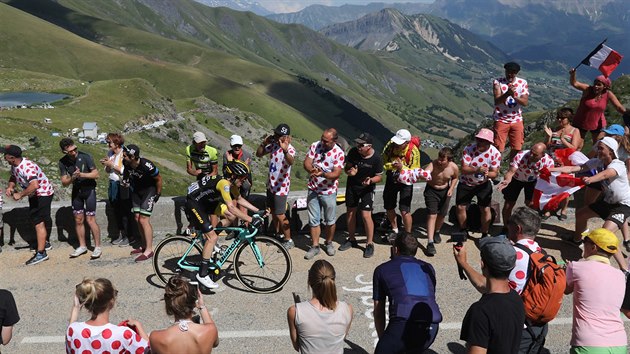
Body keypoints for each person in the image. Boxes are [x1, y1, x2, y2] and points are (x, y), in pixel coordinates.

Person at [455, 207, 550, 353]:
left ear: (517, 228)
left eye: (509, 223)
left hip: (518, 329)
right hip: (538, 327)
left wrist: (464, 263)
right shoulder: (542, 254)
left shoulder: (513, 254)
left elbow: (488, 285)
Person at [550, 137, 629, 270]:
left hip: (623, 205)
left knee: (604, 235)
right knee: (581, 214)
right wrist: (551, 170)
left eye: (601, 148)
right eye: (598, 147)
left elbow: (605, 174)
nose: (598, 150)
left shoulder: (618, 165)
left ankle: (625, 269)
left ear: (611, 151)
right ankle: (576, 240)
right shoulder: (598, 161)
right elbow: (575, 168)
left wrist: (591, 179)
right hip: (608, 202)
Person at [188, 161, 265, 289]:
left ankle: (210, 240)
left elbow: (239, 199)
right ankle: (202, 274)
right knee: (212, 237)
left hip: (208, 202)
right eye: (242, 178)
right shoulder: (224, 184)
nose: (244, 181)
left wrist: (257, 211)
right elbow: (232, 206)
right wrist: (250, 219)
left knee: (231, 217)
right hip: (195, 204)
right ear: (233, 176)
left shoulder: (231, 184)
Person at [372, 233, 442, 353]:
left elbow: (378, 312)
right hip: (431, 325)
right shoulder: (428, 267)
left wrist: (383, 338)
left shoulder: (382, 270)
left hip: (402, 323)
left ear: (395, 249)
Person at [456, 236, 525, 353]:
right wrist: (463, 263)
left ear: (482, 264)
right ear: (512, 266)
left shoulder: (480, 311)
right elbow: (483, 285)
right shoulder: (516, 299)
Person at [565, 228, 627, 353]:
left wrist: (565, 271)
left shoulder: (576, 267)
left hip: (589, 343)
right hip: (619, 343)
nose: (583, 244)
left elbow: (566, 290)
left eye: (585, 241)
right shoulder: (620, 275)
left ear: (593, 247)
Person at [67, 278, 149, 353]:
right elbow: (149, 350)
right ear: (112, 301)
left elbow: (71, 328)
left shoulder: (73, 331)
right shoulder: (123, 334)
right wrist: (138, 326)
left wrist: (76, 307)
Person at [3, 145, 54, 265]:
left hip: (43, 194)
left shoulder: (27, 167)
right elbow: (13, 176)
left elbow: (35, 185)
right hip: (34, 195)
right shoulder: (15, 165)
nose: (4, 157)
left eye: (5, 156)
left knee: (38, 222)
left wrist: (20, 195)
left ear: (12, 157)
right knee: (35, 218)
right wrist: (11, 186)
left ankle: (41, 253)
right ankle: (44, 244)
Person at [287, 260, 353, 353]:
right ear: (333, 280)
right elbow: (342, 337)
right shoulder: (347, 309)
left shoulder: (294, 311)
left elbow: (297, 346)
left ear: (309, 280)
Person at [303, 128, 345, 260]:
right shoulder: (315, 145)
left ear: (334, 140)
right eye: (322, 139)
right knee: (313, 219)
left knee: (330, 220)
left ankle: (328, 242)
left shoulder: (338, 153)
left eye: (326, 141)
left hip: (329, 191)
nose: (323, 142)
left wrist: (323, 174)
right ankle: (315, 246)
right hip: (313, 188)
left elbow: (336, 173)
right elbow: (307, 162)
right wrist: (312, 170)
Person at [339, 132, 383, 258]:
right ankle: (351, 239)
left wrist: (370, 181)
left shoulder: (376, 158)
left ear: (368, 146)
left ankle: (369, 243)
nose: (358, 146)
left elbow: (379, 176)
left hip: (367, 189)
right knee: (351, 212)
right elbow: (347, 168)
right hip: (353, 186)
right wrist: (350, 172)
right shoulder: (353, 152)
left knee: (365, 215)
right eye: (357, 144)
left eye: (361, 145)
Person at [149, 275, 219, 353]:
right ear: (194, 303)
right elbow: (215, 343)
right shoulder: (210, 331)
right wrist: (202, 306)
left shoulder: (156, 337)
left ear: (169, 305)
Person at [58, 138, 102, 260]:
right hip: (77, 192)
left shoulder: (86, 156)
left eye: (75, 149)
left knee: (90, 219)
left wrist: (81, 175)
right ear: (64, 152)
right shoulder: (62, 162)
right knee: (78, 220)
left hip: (89, 191)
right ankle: (82, 246)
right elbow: (64, 182)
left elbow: (96, 174)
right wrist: (72, 178)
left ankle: (97, 246)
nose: (74, 152)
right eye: (70, 151)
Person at [255, 124, 296, 249]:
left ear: (285, 137)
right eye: (275, 134)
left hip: (281, 187)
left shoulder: (290, 149)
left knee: (280, 214)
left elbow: (291, 161)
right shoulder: (273, 146)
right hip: (271, 185)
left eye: (278, 135)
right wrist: (263, 143)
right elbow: (259, 154)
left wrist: (285, 150)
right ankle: (278, 235)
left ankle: (288, 239)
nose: (275, 136)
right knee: (273, 212)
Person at [456, 128, 501, 238]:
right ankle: (463, 230)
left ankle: (484, 233)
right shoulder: (468, 149)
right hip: (466, 182)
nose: (480, 142)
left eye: (483, 141)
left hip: (483, 184)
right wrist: (476, 170)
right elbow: (464, 169)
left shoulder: (495, 153)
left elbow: (494, 173)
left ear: (489, 143)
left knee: (485, 209)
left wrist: (486, 173)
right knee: (460, 207)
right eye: (479, 140)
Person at [497, 142, 554, 226]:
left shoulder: (548, 161)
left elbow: (549, 177)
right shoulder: (520, 155)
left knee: (531, 205)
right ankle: (506, 228)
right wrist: (507, 180)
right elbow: (511, 171)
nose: (531, 155)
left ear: (542, 155)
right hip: (517, 178)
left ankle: (528, 227)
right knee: (508, 204)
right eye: (531, 152)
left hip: (533, 181)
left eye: (535, 155)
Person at [122, 144, 162, 262]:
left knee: (144, 219)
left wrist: (158, 193)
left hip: (149, 191)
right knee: (137, 217)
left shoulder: (146, 165)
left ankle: (149, 250)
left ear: (133, 157)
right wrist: (125, 181)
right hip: (136, 191)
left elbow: (159, 178)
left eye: (125, 156)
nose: (123, 157)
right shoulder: (127, 163)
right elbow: (126, 173)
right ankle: (144, 245)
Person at [570, 69, 627, 145]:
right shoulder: (588, 89)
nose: (595, 86)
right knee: (577, 146)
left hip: (598, 123)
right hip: (581, 122)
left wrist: (627, 114)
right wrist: (573, 74)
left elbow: (619, 107)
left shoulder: (608, 94)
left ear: (605, 86)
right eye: (595, 84)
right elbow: (575, 83)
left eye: (599, 85)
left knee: (598, 146)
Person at [544, 108, 583, 219]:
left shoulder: (575, 131)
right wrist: (548, 136)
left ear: (569, 119)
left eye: (562, 118)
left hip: (566, 162)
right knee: (551, 185)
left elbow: (574, 148)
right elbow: (547, 145)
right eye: (558, 117)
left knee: (566, 186)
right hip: (553, 160)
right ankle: (549, 208)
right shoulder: (555, 129)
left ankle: (564, 209)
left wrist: (563, 140)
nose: (559, 120)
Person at [381, 129, 420, 240]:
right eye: (396, 142)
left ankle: (408, 234)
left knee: (404, 210)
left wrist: (402, 168)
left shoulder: (414, 151)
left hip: (406, 181)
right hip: (392, 178)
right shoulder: (390, 146)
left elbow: (415, 171)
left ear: (407, 143)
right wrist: (393, 166)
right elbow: (384, 162)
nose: (396, 145)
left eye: (400, 143)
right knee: (389, 206)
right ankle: (395, 229)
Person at [423, 147, 459, 256]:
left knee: (442, 215)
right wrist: (424, 174)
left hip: (445, 191)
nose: (440, 161)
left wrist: (451, 188)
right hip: (431, 190)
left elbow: (455, 178)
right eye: (439, 158)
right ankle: (430, 242)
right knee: (432, 214)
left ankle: (437, 231)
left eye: (443, 160)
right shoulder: (433, 164)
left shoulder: (453, 167)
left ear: (449, 160)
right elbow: (426, 171)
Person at [100, 133, 133, 247]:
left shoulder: (124, 153)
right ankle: (121, 234)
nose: (108, 144)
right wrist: (107, 165)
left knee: (125, 210)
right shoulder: (110, 153)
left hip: (122, 184)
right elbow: (108, 171)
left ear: (117, 143)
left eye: (110, 142)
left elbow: (123, 171)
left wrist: (111, 164)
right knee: (116, 210)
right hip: (113, 183)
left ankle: (129, 235)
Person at [493, 61, 529, 159]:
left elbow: (525, 102)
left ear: (516, 73)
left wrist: (514, 96)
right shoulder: (498, 82)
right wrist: (507, 94)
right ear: (505, 71)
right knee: (498, 147)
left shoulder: (522, 83)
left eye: (513, 72)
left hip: (516, 119)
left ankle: (512, 167)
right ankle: (495, 167)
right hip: (501, 119)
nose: (510, 74)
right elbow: (497, 101)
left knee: (517, 147)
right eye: (508, 71)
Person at [222, 134, 252, 215]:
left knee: (243, 205)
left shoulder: (247, 155)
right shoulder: (226, 155)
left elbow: (246, 172)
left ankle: (245, 225)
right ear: (231, 145)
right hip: (232, 180)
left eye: (239, 145)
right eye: (235, 146)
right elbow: (226, 172)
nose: (237, 148)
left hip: (244, 181)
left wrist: (232, 166)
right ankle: (234, 225)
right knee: (233, 203)